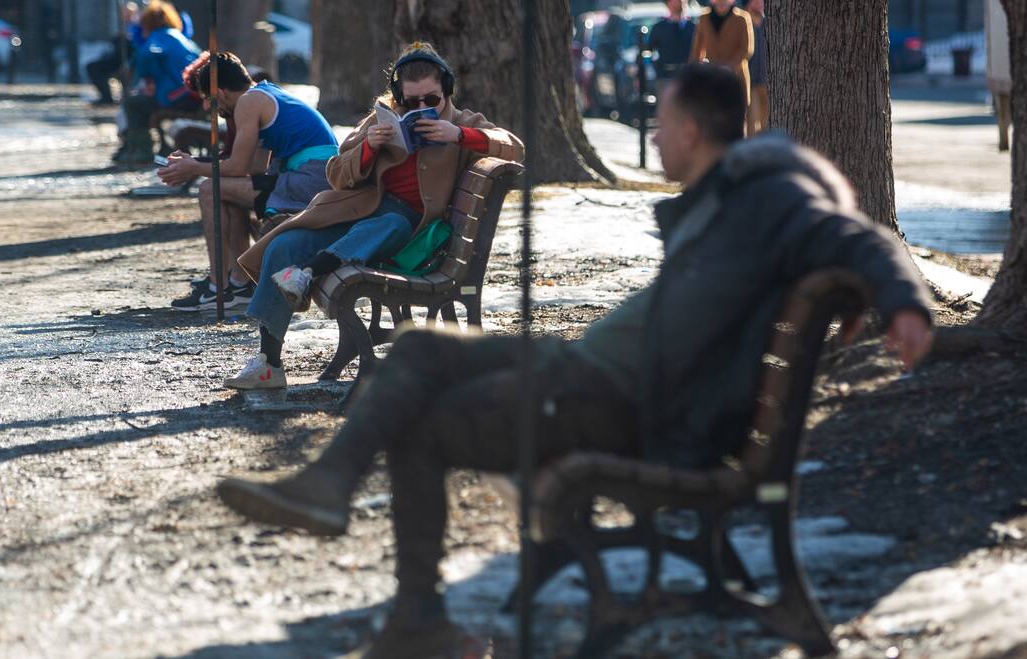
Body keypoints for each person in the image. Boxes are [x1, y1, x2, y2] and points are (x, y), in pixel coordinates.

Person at [213, 63, 935, 658]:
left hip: (624, 397)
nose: (652, 130)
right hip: (603, 371)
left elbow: (861, 236)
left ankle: (413, 614)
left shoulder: (768, 191)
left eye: (660, 119)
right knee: (423, 347)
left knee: (425, 416)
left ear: (688, 130)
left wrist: (905, 303)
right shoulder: (736, 191)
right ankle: (333, 488)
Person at [214, 42, 524, 390]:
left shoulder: (462, 122)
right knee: (284, 244)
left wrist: (460, 135)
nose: (422, 109)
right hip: (355, 214)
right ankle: (269, 362)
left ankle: (309, 272)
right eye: (411, 102)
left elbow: (513, 145)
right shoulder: (381, 119)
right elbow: (336, 174)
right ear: (397, 97)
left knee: (390, 223)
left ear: (446, 91)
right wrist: (368, 148)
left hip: (411, 232)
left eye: (432, 101)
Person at [157, 51, 339, 313]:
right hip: (313, 176)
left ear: (219, 93)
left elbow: (241, 166)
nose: (208, 108)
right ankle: (239, 283)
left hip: (309, 179)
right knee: (224, 192)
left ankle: (217, 286)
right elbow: (254, 167)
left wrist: (193, 167)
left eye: (208, 100)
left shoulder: (247, 103)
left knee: (209, 189)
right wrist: (195, 162)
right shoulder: (263, 94)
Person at [113, 0, 201, 164]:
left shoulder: (157, 38)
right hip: (193, 94)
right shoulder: (177, 36)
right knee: (141, 101)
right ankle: (156, 146)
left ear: (147, 23)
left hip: (177, 96)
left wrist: (143, 75)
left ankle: (142, 150)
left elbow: (147, 56)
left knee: (133, 104)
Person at [690, 0, 753, 108]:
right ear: (713, 1)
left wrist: (728, 67)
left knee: (735, 114)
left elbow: (746, 50)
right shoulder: (704, 18)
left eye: (724, 3)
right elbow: (697, 48)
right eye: (718, 3)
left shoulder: (742, 18)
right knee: (712, 113)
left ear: (732, 0)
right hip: (711, 76)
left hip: (736, 75)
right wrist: (695, 70)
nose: (721, 7)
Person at [86, 2, 139, 106]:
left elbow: (135, 48)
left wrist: (127, 65)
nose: (126, 15)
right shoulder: (123, 27)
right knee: (93, 67)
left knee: (95, 68)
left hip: (126, 62)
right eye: (124, 13)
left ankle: (107, 98)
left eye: (128, 13)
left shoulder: (136, 27)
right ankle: (106, 96)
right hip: (116, 60)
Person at [649, 0, 697, 80]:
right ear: (668, 3)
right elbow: (649, 51)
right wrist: (657, 69)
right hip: (666, 76)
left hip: (689, 77)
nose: (680, 1)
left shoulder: (694, 27)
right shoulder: (659, 28)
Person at [742, 0, 768, 136]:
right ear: (747, 5)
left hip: (768, 80)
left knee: (768, 120)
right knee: (752, 119)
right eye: (755, 1)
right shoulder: (742, 24)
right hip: (750, 81)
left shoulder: (769, 23)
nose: (759, 4)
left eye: (760, 1)